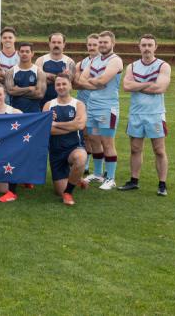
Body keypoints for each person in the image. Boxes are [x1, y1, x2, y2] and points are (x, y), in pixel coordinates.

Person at [118, 34, 172, 196]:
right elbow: (126, 86)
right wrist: (149, 83)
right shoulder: (132, 66)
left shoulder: (163, 66)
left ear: (156, 47)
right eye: (144, 45)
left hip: (155, 114)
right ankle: (134, 181)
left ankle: (162, 184)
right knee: (135, 149)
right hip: (136, 113)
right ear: (139, 47)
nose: (147, 48)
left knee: (159, 150)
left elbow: (160, 88)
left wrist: (137, 85)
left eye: (150, 45)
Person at [79, 31, 123, 190]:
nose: (102, 45)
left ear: (113, 43)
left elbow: (104, 80)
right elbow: (81, 80)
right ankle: (97, 174)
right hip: (92, 106)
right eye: (100, 42)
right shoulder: (95, 60)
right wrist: (95, 83)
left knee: (107, 142)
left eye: (105, 42)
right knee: (93, 140)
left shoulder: (116, 60)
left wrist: (93, 81)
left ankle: (110, 178)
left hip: (107, 107)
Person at [43, 74, 89, 206]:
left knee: (81, 158)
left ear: (70, 86)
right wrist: (71, 125)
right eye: (58, 84)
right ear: (55, 87)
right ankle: (77, 178)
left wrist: (56, 124)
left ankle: (68, 193)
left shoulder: (78, 104)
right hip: (56, 151)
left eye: (64, 84)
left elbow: (80, 125)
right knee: (59, 191)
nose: (61, 87)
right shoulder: (48, 105)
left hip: (73, 147)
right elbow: (45, 130)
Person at [73, 33, 99, 174]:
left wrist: (84, 82)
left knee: (99, 138)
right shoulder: (81, 63)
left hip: (99, 104)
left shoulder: (105, 63)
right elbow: (76, 84)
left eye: (95, 45)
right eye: (89, 44)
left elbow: (104, 83)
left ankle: (102, 169)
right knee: (85, 135)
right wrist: (94, 83)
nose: (92, 47)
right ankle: (87, 166)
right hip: (83, 103)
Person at [4, 42, 46, 114]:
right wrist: (29, 89)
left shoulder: (39, 72)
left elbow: (39, 94)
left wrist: (17, 90)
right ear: (18, 53)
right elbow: (10, 92)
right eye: (22, 51)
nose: (24, 54)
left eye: (27, 51)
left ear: (32, 53)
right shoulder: (10, 72)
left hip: (34, 112)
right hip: (15, 113)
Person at [35, 32, 75, 108]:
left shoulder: (70, 62)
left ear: (64, 44)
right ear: (49, 44)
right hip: (42, 102)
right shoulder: (40, 60)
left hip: (64, 104)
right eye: (53, 42)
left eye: (59, 42)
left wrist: (47, 76)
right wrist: (61, 77)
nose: (56, 45)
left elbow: (69, 82)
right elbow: (39, 79)